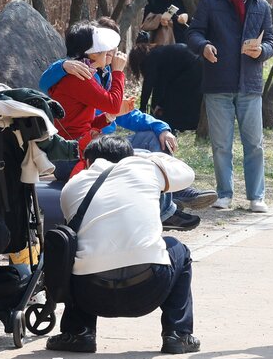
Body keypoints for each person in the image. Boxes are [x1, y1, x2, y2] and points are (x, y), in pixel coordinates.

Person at [41, 22, 214, 230]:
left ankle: (170, 200)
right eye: (106, 48)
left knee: (151, 142)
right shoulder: (78, 76)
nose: (112, 53)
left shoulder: (87, 73)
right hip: (73, 155)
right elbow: (109, 102)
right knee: (143, 157)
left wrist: (110, 118)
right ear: (91, 51)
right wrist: (117, 73)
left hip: (87, 146)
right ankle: (168, 206)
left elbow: (96, 115)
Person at [45, 135, 200, 355]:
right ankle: (178, 334)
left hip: (90, 294)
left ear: (88, 161)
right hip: (149, 289)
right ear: (130, 156)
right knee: (178, 249)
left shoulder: (73, 186)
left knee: (74, 248)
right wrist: (147, 156)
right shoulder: (145, 169)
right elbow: (187, 174)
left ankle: (79, 333)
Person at [186, 0, 273, 212]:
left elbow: (271, 41)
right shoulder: (210, 1)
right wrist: (203, 46)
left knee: (254, 143)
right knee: (221, 144)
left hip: (250, 83)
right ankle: (224, 193)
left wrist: (263, 51)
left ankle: (256, 196)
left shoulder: (261, 5)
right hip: (218, 83)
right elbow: (193, 33)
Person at [138, 0, 202, 132]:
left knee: (177, 86)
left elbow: (193, 22)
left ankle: (178, 119)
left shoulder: (183, 1)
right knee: (158, 81)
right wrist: (159, 19)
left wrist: (185, 18)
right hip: (158, 46)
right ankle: (157, 115)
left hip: (180, 47)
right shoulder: (153, 1)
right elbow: (145, 24)